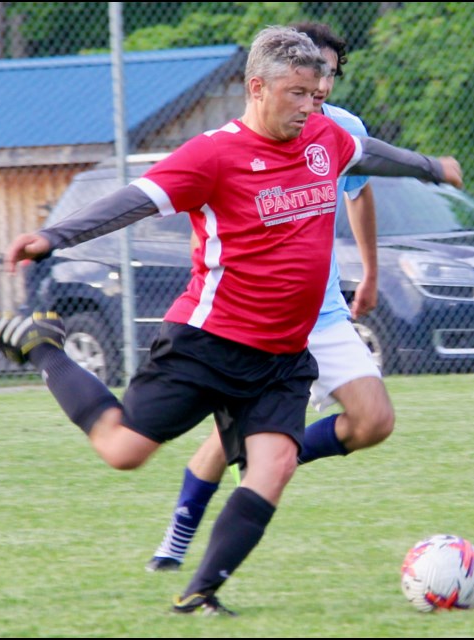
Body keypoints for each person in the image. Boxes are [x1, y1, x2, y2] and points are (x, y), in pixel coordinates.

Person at [0, 25, 462, 616]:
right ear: (258, 87)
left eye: (316, 92)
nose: (312, 106)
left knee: (275, 465)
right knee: (124, 450)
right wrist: (54, 235)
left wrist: (431, 166)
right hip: (208, 342)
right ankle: (42, 346)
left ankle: (199, 592)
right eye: (298, 93)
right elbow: (132, 200)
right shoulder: (212, 154)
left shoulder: (324, 137)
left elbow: (373, 154)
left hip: (282, 357)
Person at [144, 21, 394, 574]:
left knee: (373, 420)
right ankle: (179, 533)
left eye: (328, 73)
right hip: (254, 317)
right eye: (311, 75)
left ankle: (273, 454)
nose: (321, 86)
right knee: (218, 438)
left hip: (322, 313)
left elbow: (359, 198)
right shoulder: (247, 136)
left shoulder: (341, 131)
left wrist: (370, 271)